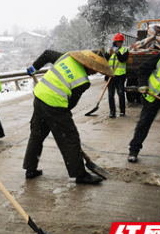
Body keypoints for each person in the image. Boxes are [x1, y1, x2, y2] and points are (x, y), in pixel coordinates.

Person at [24, 49, 113, 184]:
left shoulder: (66, 57)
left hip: (39, 97)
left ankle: (30, 169)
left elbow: (47, 53)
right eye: (95, 69)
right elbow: (70, 104)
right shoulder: (83, 81)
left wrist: (34, 67)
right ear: (88, 65)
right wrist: (62, 121)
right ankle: (79, 175)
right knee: (70, 138)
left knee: (37, 134)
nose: (95, 72)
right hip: (55, 104)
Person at [104, 33, 130, 118]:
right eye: (116, 42)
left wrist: (117, 53)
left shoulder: (124, 50)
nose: (118, 43)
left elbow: (123, 60)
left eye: (119, 42)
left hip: (120, 76)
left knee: (121, 93)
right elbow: (104, 60)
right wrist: (109, 54)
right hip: (110, 75)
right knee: (110, 94)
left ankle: (122, 111)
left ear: (122, 42)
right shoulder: (109, 50)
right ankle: (112, 112)